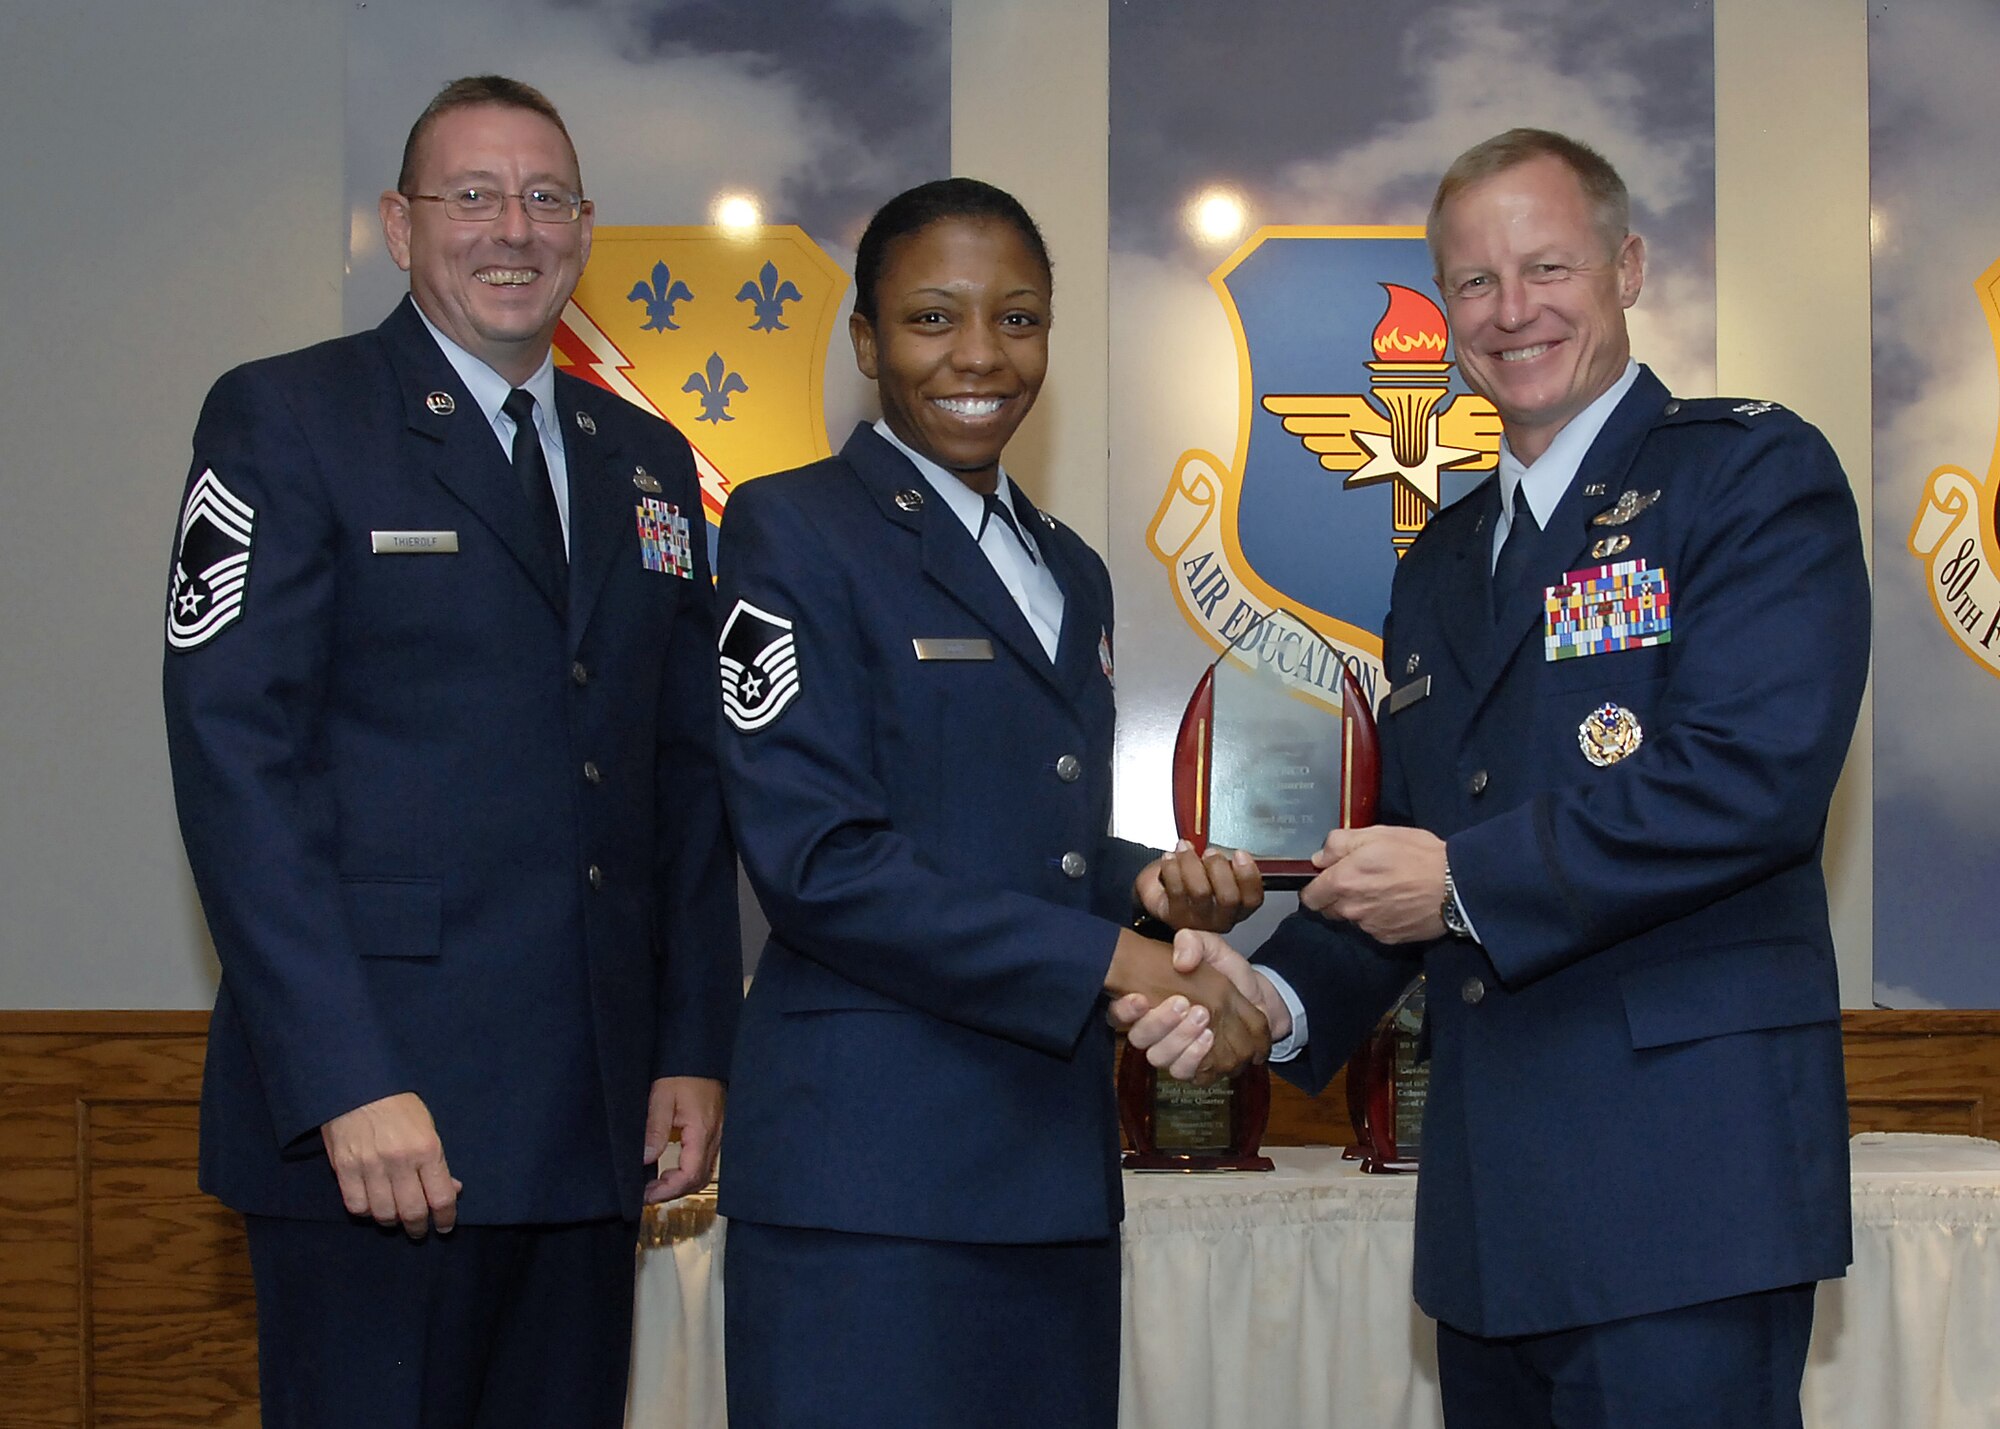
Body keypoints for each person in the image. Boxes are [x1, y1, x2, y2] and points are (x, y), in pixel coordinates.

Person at [1118, 128, 1871, 1429]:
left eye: (1547, 266)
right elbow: (1413, 840)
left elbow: (1752, 778)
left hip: (1687, 1198)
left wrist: (1461, 880)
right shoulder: (1445, 560)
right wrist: (1274, 998)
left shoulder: (1748, 475)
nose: (1511, 310)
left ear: (1626, 267)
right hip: (1491, 1211)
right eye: (1473, 282)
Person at [161, 75, 740, 1428]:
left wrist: (693, 1043)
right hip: (378, 1125)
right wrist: (345, 1079)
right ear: (399, 224)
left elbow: (684, 776)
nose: (512, 228)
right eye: (471, 195)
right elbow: (237, 765)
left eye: (545, 198)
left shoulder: (645, 461)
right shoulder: (289, 419)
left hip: (592, 1124)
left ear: (586, 228)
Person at [712, 177, 1269, 1429]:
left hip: (1046, 1174)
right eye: (931, 318)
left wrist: (1143, 878)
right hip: (866, 1186)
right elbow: (821, 861)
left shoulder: (1064, 563)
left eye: (1017, 319)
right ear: (864, 342)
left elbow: (1017, 826)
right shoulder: (791, 530)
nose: (979, 354)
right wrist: (1122, 960)